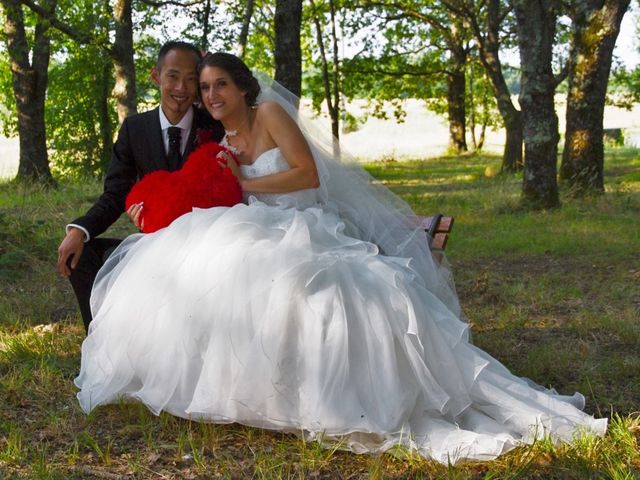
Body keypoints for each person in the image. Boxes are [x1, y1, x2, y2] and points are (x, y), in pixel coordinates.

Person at [74, 52, 607, 464]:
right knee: (206, 272)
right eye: (204, 86)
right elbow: (212, 189)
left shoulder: (270, 113)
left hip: (302, 224)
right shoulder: (220, 136)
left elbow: (307, 175)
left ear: (242, 87)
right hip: (257, 225)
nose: (209, 94)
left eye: (219, 84)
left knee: (329, 295)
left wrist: (242, 179)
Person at [57, 41, 225, 332]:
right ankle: (100, 348)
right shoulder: (135, 129)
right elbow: (115, 193)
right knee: (82, 253)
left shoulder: (215, 126)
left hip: (204, 243)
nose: (182, 88)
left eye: (190, 79)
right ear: (156, 76)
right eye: (173, 76)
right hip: (154, 242)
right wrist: (79, 229)